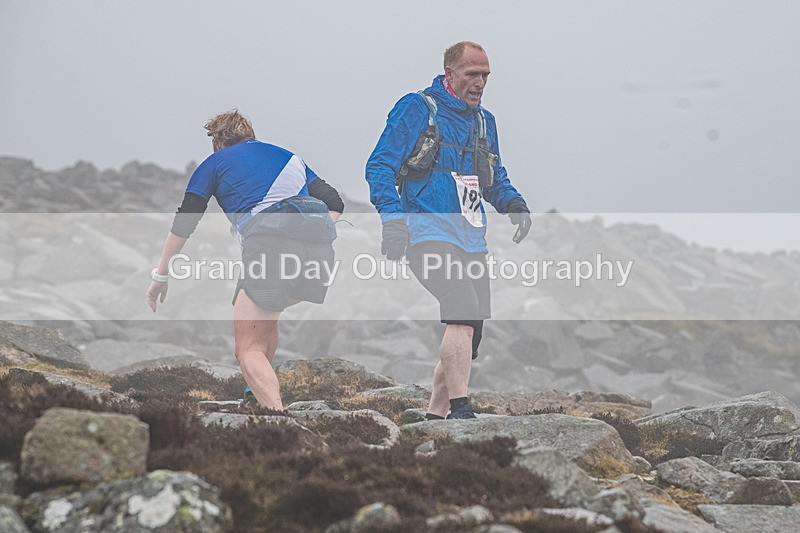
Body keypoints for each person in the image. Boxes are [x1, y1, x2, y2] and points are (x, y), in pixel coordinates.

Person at [365, 42, 531, 420]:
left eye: (485, 75)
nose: (480, 82)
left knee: (470, 332)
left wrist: (514, 204)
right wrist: (392, 220)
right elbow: (379, 166)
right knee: (461, 308)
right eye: (472, 74)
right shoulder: (417, 108)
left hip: (471, 237)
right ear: (449, 71)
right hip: (425, 231)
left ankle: (435, 418)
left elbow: (493, 179)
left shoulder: (484, 121)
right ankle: (461, 407)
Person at [147, 110, 344, 410]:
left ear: (217, 142)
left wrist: (161, 274)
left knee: (247, 349)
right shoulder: (289, 157)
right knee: (263, 310)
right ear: (249, 135)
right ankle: (255, 396)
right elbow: (335, 202)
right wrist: (310, 229)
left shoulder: (214, 163)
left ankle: (278, 420)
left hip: (270, 248)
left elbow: (186, 220)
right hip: (320, 253)